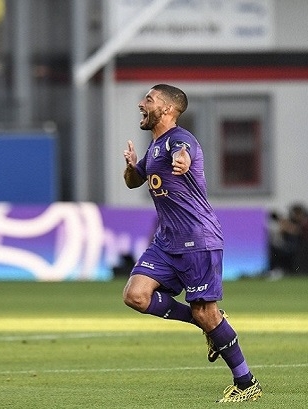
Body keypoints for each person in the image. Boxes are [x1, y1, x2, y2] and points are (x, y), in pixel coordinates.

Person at [122, 84, 262, 402]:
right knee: (136, 296)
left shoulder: (180, 140)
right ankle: (209, 325)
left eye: (149, 99)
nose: (141, 103)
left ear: (168, 109)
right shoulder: (154, 147)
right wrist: (131, 167)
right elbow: (134, 181)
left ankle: (246, 383)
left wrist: (182, 160)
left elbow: (183, 152)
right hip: (166, 241)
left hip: (198, 239)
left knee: (205, 311)